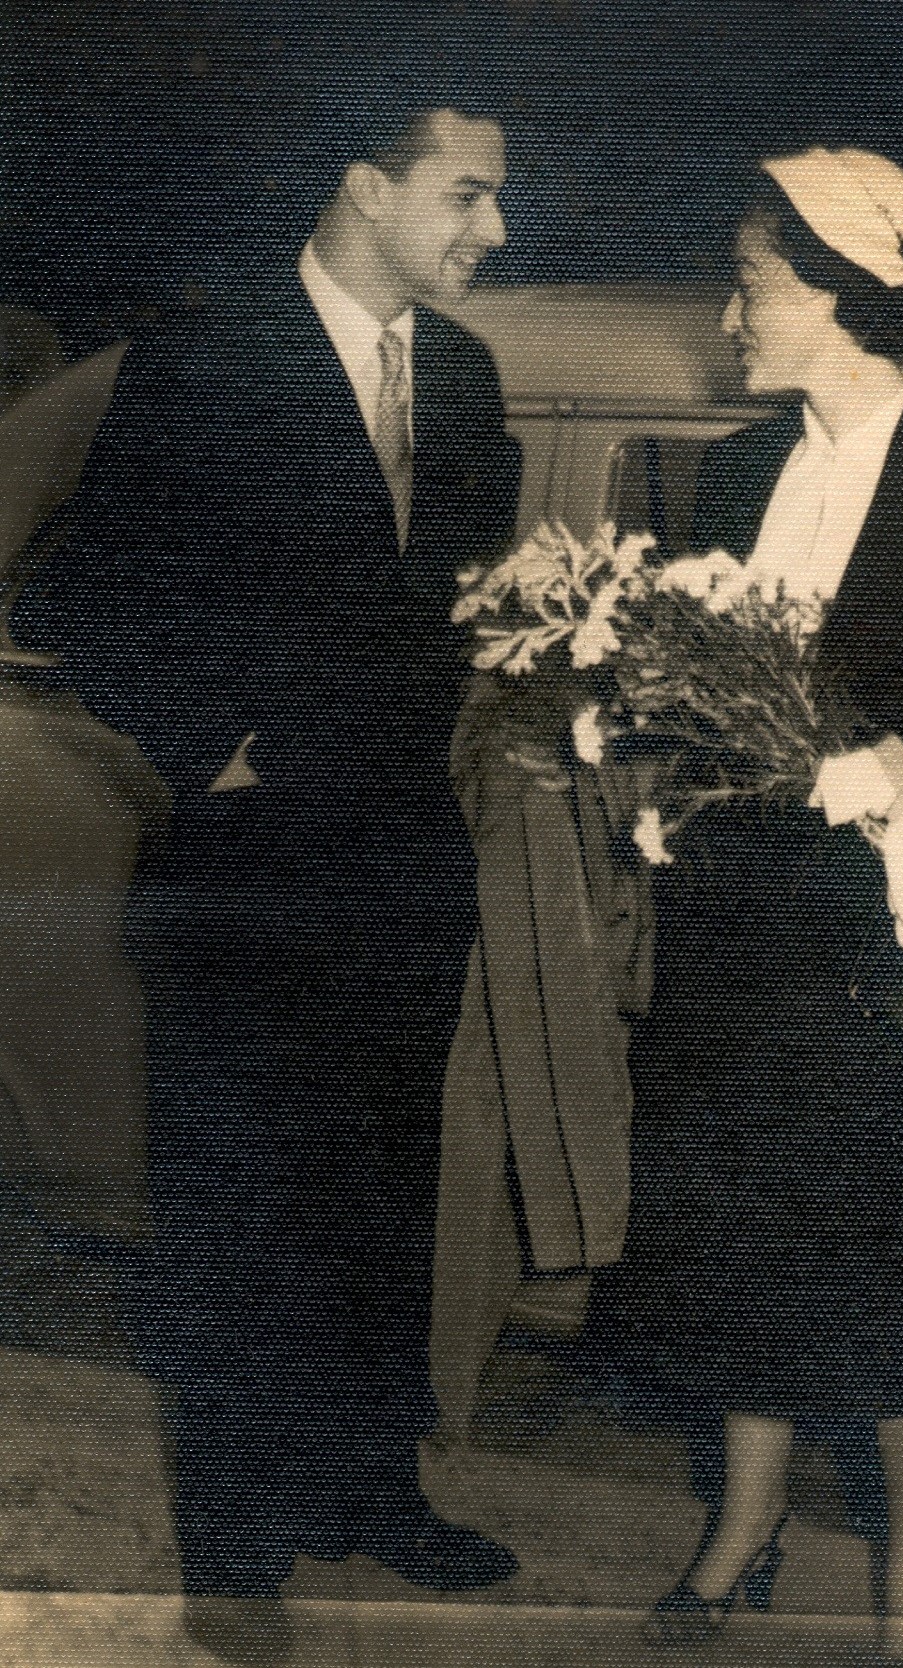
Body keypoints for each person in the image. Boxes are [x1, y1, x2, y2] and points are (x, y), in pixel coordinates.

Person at [12, 106, 522, 1662]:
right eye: (469, 195)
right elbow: (86, 591)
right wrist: (203, 749)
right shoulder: (202, 361)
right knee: (240, 1217)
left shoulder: (465, 373)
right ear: (366, 185)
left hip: (406, 862)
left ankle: (371, 1492)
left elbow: (458, 608)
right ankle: (234, 1551)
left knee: (383, 1196)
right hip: (248, 871)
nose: (495, 230)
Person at [589, 147, 903, 1667]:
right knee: (731, 1235)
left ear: (836, 292)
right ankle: (743, 1530)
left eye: (749, 284)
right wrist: (643, 749)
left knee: (899, 1258)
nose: (730, 314)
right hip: (733, 918)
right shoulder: (739, 471)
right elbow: (703, 687)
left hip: (881, 932)